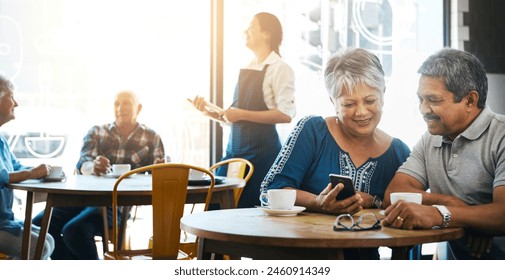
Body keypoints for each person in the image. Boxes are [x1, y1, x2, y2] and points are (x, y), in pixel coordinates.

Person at [260, 48, 411, 259]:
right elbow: (270, 191)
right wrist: (318, 203)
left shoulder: (399, 153)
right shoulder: (312, 131)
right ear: (333, 102)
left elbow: (406, 220)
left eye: (370, 101)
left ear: (383, 94)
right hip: (299, 260)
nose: (361, 112)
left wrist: (375, 202)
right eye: (349, 104)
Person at [382, 48, 505, 260]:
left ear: (469, 100)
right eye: (420, 99)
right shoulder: (431, 138)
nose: (423, 109)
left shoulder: (501, 135)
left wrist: (441, 214)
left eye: (433, 99)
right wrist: (455, 207)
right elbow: (393, 194)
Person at [33, 90, 165, 260]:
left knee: (74, 231)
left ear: (138, 108)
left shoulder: (151, 137)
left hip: (116, 205)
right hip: (81, 198)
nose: (120, 108)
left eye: (126, 103)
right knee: (39, 225)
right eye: (117, 104)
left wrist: (159, 169)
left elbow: (160, 172)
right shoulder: (97, 132)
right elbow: (83, 161)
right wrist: (92, 166)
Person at [191, 12, 296, 208]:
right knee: (215, 207)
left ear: (266, 34)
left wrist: (240, 114)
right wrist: (208, 111)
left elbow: (285, 114)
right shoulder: (248, 67)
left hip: (262, 155)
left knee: (249, 216)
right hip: (235, 153)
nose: (245, 32)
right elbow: (235, 118)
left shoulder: (279, 68)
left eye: (251, 28)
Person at [0, 75, 55, 259]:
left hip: (5, 221)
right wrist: (31, 173)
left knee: (48, 241)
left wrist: (44, 170)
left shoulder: (1, 140)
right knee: (40, 248)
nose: (16, 103)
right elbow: (2, 176)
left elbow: (15, 166)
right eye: (11, 96)